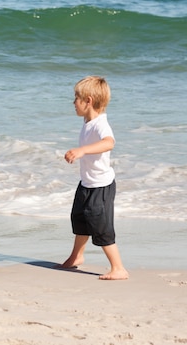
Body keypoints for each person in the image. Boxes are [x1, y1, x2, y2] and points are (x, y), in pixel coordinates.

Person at [60, 76, 129, 280]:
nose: (73, 103)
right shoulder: (88, 121)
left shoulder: (101, 124)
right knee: (79, 219)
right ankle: (76, 257)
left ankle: (118, 268)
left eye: (76, 98)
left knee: (101, 226)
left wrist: (83, 151)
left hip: (101, 186)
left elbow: (109, 143)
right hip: (87, 183)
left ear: (88, 101)